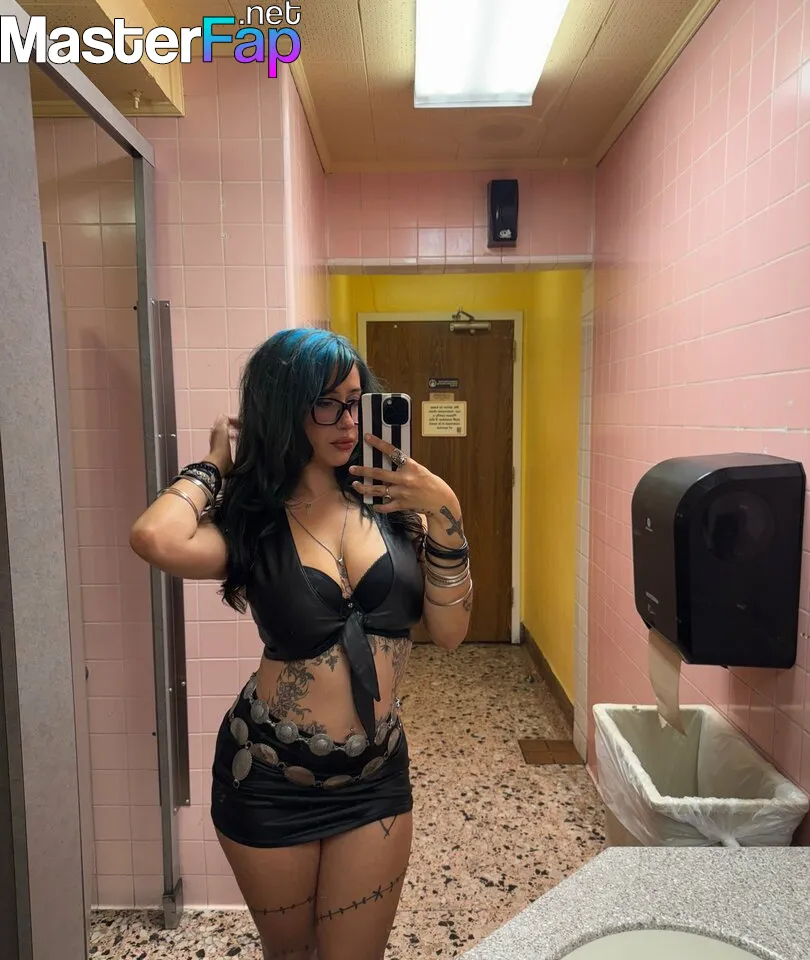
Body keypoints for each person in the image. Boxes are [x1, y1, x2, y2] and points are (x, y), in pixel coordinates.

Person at [129, 327, 472, 960]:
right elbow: (156, 538)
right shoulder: (251, 525)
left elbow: (450, 634)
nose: (348, 421)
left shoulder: (397, 509)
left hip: (374, 776)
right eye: (326, 404)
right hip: (268, 774)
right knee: (291, 955)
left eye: (355, 401)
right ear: (284, 408)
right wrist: (215, 467)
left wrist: (446, 511)